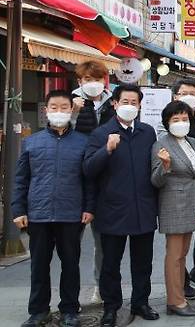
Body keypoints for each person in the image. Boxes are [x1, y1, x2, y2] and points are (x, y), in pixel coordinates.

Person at [12, 90, 94, 327]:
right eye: (54, 107)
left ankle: (69, 309)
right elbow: (20, 180)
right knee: (39, 265)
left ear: (71, 110)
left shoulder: (82, 142)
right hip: (38, 213)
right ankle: (38, 311)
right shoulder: (31, 142)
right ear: (46, 110)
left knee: (70, 264)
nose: (59, 112)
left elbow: (89, 180)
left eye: (64, 107)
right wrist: (18, 210)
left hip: (71, 213)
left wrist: (89, 207)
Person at [83, 85, 159, 327]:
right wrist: (106, 149)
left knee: (143, 262)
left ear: (139, 106)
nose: (129, 106)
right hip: (112, 210)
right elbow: (88, 170)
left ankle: (140, 302)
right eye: (124, 101)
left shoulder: (148, 133)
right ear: (114, 104)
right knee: (110, 264)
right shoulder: (101, 133)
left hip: (143, 208)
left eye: (133, 102)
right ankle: (111, 306)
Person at [151, 101, 195, 317]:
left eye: (185, 119)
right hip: (172, 206)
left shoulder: (192, 141)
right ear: (167, 122)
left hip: (190, 206)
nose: (181, 123)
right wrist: (165, 166)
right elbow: (155, 181)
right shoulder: (161, 144)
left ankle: (180, 297)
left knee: (183, 255)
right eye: (176, 120)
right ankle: (174, 301)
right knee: (174, 256)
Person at [70, 60, 114, 305]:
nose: (92, 84)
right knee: (70, 243)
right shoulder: (69, 101)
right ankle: (70, 294)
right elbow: (56, 130)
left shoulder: (114, 103)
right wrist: (73, 113)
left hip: (105, 177)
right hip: (76, 179)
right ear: (80, 81)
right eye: (87, 79)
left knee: (103, 242)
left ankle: (101, 288)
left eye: (97, 79)